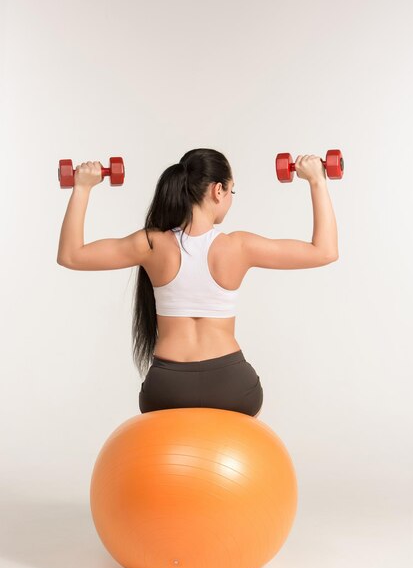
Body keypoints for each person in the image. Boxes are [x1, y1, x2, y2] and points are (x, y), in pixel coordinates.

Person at [57, 147, 338, 418]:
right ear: (218, 191)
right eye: (232, 191)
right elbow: (324, 251)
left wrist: (82, 187)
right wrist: (316, 180)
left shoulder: (151, 244)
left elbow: (71, 255)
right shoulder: (239, 246)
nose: (230, 198)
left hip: (166, 387)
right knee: (253, 410)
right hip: (232, 385)